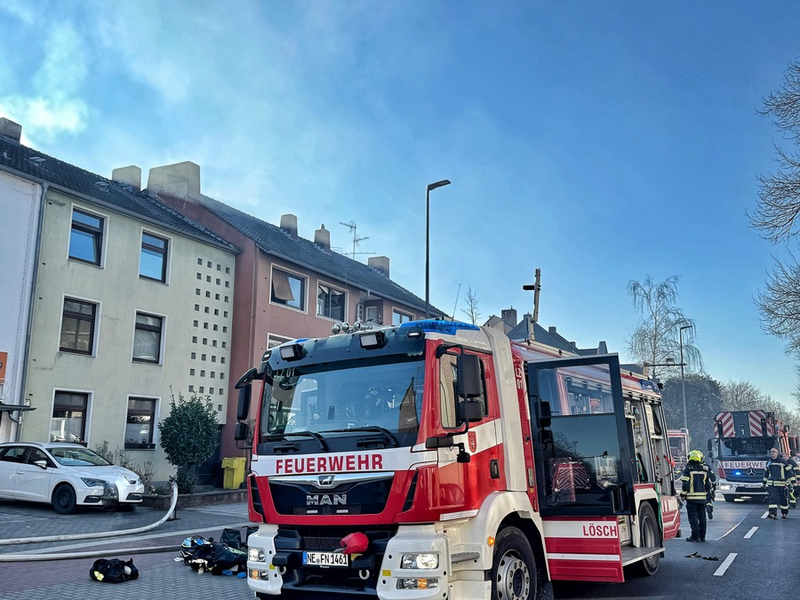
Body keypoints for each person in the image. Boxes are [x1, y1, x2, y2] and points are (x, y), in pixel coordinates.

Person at [681, 450, 713, 542]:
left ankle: (695, 536)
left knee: (693, 518)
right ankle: (702, 536)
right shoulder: (704, 470)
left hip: (691, 498)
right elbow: (708, 485)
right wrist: (707, 494)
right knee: (702, 518)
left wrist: (683, 494)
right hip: (702, 498)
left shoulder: (688, 469)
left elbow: (685, 484)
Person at [763, 447, 795, 519]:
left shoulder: (783, 462)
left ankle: (784, 513)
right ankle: (772, 513)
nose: (772, 453)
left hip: (782, 484)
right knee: (772, 498)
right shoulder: (768, 462)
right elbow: (766, 474)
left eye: (774, 452)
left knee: (783, 499)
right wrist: (764, 483)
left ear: (777, 453)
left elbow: (789, 472)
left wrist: (793, 481)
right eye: (771, 452)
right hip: (772, 484)